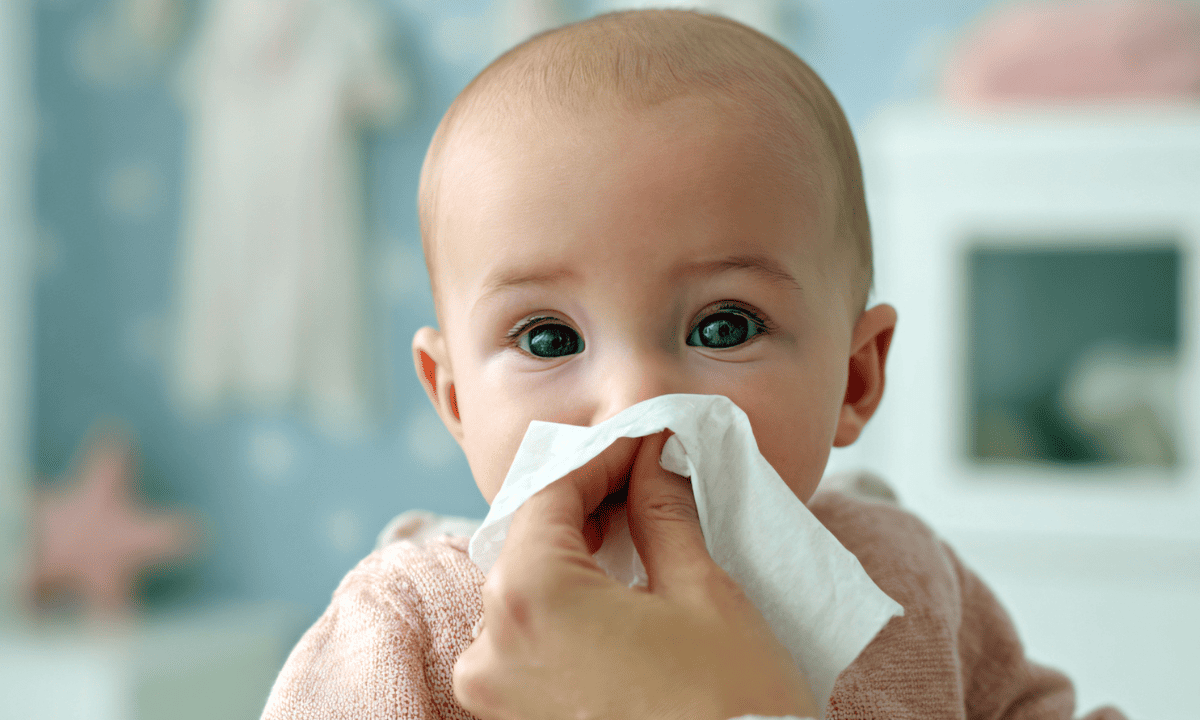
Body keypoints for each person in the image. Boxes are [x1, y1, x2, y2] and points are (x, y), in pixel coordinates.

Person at [261, 10, 1126, 720]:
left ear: (855, 380)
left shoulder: (906, 574)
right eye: (549, 339)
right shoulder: (408, 628)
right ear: (453, 399)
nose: (639, 401)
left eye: (723, 327)